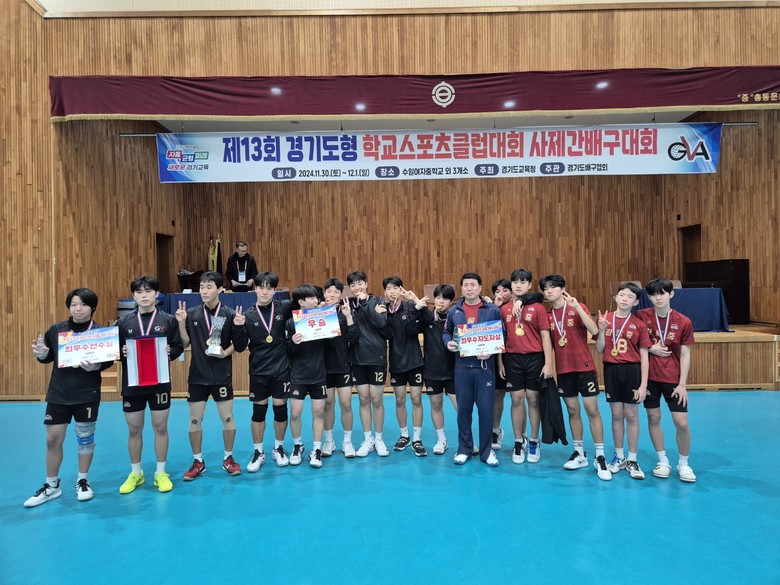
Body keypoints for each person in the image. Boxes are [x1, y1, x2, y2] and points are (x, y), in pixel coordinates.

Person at [25, 288, 112, 507]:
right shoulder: (57, 329)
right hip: (59, 393)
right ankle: (51, 485)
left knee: (85, 439)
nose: (78, 309)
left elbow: (108, 361)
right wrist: (42, 354)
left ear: (92, 307)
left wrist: (96, 366)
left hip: (86, 394)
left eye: (83, 304)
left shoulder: (100, 333)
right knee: (52, 439)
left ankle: (82, 480)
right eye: (73, 304)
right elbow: (46, 356)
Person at [176, 271, 247, 481]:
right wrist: (181, 322)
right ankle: (198, 461)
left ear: (220, 289)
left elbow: (240, 346)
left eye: (209, 287)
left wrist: (225, 352)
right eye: (201, 287)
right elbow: (185, 343)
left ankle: (228, 458)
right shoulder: (192, 313)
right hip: (197, 376)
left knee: (227, 418)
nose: (204, 291)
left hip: (221, 375)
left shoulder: (230, 314)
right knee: (195, 419)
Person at [540, 274, 612, 481]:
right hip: (564, 370)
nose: (549, 291)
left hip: (584, 367)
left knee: (592, 410)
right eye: (545, 288)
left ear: (563, 289)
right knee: (573, 411)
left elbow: (594, 330)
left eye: (553, 287)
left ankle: (600, 456)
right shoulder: (547, 315)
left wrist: (578, 307)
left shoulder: (576, 307)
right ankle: (579, 453)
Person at [117, 276, 184, 494]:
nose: (143, 295)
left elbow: (178, 346)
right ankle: (136, 473)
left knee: (160, 427)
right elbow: (113, 351)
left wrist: (171, 352)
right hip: (133, 384)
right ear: (133, 296)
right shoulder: (124, 322)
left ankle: (160, 473)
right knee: (134, 428)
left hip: (159, 383)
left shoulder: (168, 320)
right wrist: (121, 352)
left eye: (148, 291)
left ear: (156, 294)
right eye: (139, 292)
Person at [637, 278, 697, 483]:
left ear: (671, 294)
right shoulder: (641, 316)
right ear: (649, 297)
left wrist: (682, 384)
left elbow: (685, 354)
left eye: (662, 293)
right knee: (653, 418)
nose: (658, 298)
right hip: (650, 378)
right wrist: (651, 348)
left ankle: (684, 463)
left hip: (673, 379)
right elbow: (634, 342)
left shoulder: (683, 321)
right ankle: (662, 461)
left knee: (682, 423)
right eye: (653, 294)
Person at [442, 272, 503, 466]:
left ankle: (487, 451)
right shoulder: (454, 311)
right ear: (461, 288)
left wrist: (491, 351)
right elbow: (446, 332)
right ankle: (464, 449)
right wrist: (448, 343)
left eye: (473, 285)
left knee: (485, 410)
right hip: (461, 369)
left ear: (480, 288)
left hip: (484, 369)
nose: (469, 288)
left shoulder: (492, 309)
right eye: (466, 285)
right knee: (463, 410)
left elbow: (503, 334)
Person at [596, 282, 652, 480]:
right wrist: (601, 330)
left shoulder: (639, 324)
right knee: (617, 414)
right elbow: (600, 349)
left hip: (632, 371)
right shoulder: (606, 319)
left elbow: (644, 356)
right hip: (612, 370)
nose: (625, 299)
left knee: (632, 415)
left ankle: (632, 459)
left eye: (630, 296)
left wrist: (643, 385)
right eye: (622, 295)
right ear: (616, 297)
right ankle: (619, 457)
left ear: (636, 302)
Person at [497, 269, 553, 465]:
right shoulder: (504, 309)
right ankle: (518, 441)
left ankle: (534, 441)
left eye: (523, 282)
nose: (518, 285)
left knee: (533, 399)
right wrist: (500, 362)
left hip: (535, 359)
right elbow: (500, 338)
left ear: (529, 285)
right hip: (512, 359)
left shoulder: (538, 308)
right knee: (516, 399)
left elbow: (545, 336)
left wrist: (548, 363)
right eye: (515, 282)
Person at [240, 272, 295, 469]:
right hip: (258, 370)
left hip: (281, 368)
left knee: (280, 409)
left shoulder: (284, 308)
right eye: (261, 287)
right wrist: (238, 328)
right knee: (258, 412)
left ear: (274, 291)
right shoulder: (247, 315)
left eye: (269, 288)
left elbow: (306, 302)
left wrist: (323, 304)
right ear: (255, 289)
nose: (264, 291)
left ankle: (278, 448)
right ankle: (258, 452)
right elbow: (240, 346)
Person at [346, 270, 391, 457]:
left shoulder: (378, 300)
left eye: (360, 283)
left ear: (366, 284)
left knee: (377, 399)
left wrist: (366, 304)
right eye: (353, 285)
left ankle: (379, 439)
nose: (357, 287)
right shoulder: (348, 304)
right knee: (363, 399)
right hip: (357, 358)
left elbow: (381, 323)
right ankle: (368, 439)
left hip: (377, 357)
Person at [286, 283, 330, 467]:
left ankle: (317, 449)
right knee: (295, 413)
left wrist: (326, 314)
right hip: (298, 375)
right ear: (301, 302)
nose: (316, 300)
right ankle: (297, 446)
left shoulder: (325, 317)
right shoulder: (291, 322)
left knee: (319, 412)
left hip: (319, 373)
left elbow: (332, 341)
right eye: (311, 298)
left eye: (316, 297)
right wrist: (294, 342)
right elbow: (288, 351)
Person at [384, 277, 427, 456]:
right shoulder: (383, 311)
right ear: (385, 292)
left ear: (401, 290)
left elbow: (417, 328)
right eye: (389, 288)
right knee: (400, 399)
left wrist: (417, 304)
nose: (392, 291)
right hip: (396, 361)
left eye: (395, 287)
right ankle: (404, 435)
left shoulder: (410, 306)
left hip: (414, 361)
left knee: (416, 399)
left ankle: (417, 438)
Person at [322, 278, 358, 458]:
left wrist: (349, 316)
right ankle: (329, 441)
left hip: (343, 364)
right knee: (328, 404)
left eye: (336, 292)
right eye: (329, 291)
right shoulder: (317, 312)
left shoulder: (346, 311)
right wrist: (320, 312)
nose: (332, 295)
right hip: (324, 366)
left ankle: (347, 441)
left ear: (341, 294)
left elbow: (353, 337)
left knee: (346, 403)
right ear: (324, 294)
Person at [419, 284, 457, 455]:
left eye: (445, 298)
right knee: (435, 405)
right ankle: (442, 440)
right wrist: (416, 306)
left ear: (451, 301)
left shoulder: (456, 317)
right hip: (432, 370)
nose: (441, 301)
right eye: (438, 297)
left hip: (454, 370)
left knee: (460, 407)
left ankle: (467, 441)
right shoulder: (427, 317)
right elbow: (410, 328)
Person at [490, 278, 512, 450]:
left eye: (505, 290)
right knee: (498, 395)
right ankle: (495, 430)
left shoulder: (519, 306)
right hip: (498, 357)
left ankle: (522, 437)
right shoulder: (492, 309)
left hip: (517, 357)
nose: (501, 294)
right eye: (497, 291)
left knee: (520, 397)